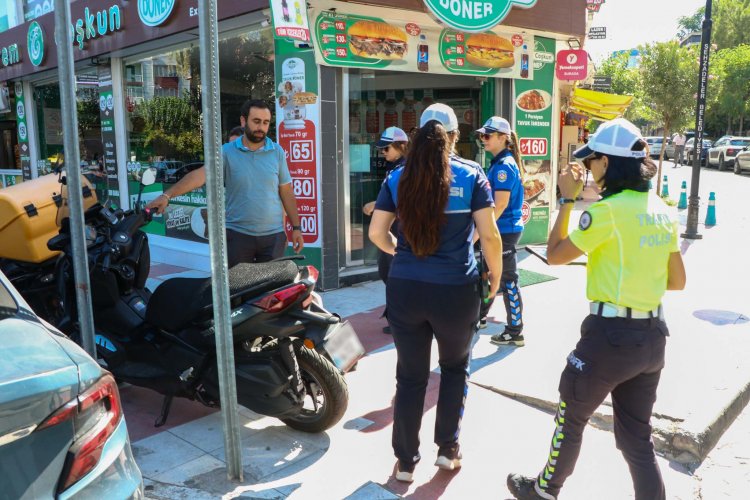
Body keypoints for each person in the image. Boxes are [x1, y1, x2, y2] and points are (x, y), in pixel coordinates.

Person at [506, 118, 686, 500]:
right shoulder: (662, 208)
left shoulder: (606, 212)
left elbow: (554, 255)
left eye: (591, 163)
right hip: (653, 338)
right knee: (637, 439)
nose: (587, 170)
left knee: (570, 419)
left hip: (609, 339)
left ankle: (544, 490)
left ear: (607, 162)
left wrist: (567, 199)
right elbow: (676, 280)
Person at [369, 104, 503, 483]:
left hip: (406, 289)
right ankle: (447, 449)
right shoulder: (472, 175)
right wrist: (496, 276)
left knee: (410, 377)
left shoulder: (397, 177)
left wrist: (404, 253)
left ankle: (407, 461)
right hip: (455, 292)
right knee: (454, 369)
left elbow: (378, 234)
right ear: (455, 137)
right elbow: (489, 235)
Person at [146, 99, 304, 266]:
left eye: (265, 123)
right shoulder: (226, 152)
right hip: (238, 237)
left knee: (272, 291)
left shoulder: (276, 152)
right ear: (243, 121)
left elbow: (286, 192)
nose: (261, 128)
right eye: (256, 121)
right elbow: (201, 175)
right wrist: (167, 194)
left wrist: (296, 228)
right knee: (239, 289)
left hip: (273, 239)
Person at [477, 117, 526, 346]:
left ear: (503, 138)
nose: (483, 140)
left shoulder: (504, 166)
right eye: (482, 136)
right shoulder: (499, 162)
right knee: (486, 274)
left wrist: (481, 231)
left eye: (488, 135)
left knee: (507, 279)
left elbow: (501, 203)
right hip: (501, 228)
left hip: (503, 230)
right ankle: (480, 316)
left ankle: (515, 330)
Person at [363, 126, 410, 334]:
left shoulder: (406, 170)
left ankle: (400, 318)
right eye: (381, 149)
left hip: (402, 233)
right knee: (387, 273)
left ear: (401, 146)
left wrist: (376, 204)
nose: (383, 153)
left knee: (396, 277)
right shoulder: (397, 168)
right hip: (393, 233)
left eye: (386, 148)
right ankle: (397, 315)